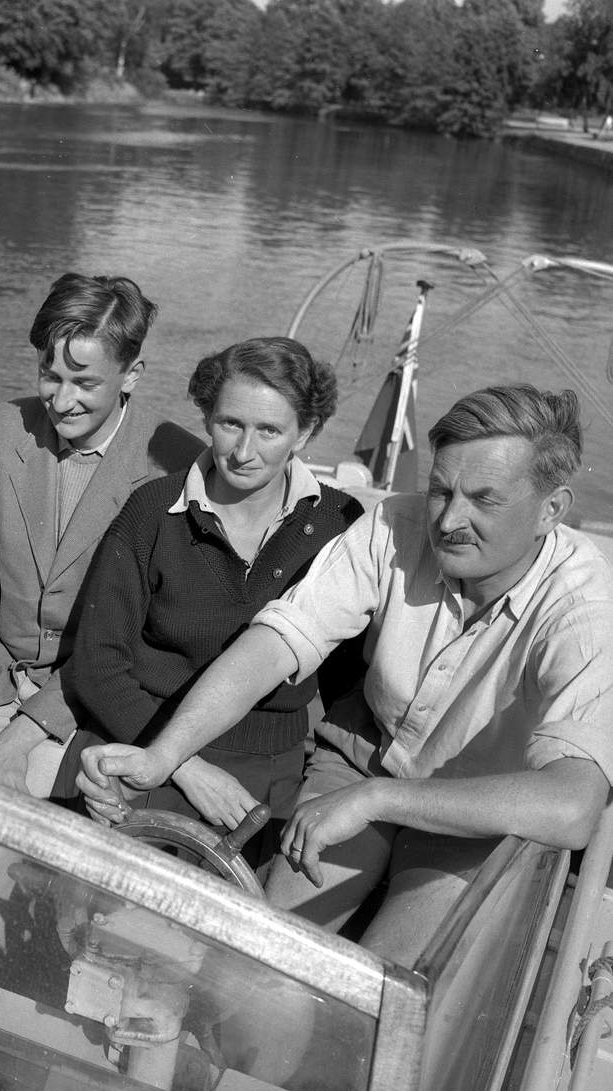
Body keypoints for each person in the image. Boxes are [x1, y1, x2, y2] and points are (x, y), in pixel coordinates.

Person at [81, 384, 613, 967]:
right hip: (362, 759)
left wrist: (380, 799)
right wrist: (165, 755)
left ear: (552, 510)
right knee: (260, 957)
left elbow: (572, 806)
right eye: (440, 491)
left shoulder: (586, 611)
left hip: (475, 812)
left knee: (382, 993)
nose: (450, 520)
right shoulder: (394, 526)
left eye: (484, 500)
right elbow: (277, 642)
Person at [0, 272, 205, 977]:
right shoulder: (0, 430)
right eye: (50, 374)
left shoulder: (172, 465)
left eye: (85, 382)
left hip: (88, 702)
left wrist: (26, 731)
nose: (62, 399)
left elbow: (134, 643)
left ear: (133, 375)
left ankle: (0, 1011)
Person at [63, 338, 364, 873]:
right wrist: (183, 764)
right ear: (205, 416)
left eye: (269, 430)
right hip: (139, 743)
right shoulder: (153, 512)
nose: (244, 452)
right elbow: (97, 662)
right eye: (230, 424)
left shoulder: (341, 524)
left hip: (266, 775)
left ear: (307, 431)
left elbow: (347, 680)